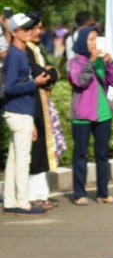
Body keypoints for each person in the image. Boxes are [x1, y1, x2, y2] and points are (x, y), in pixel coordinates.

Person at [67, 27, 113, 206]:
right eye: (90, 40)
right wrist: (90, 62)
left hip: (103, 113)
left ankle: (103, 193)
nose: (94, 43)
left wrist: (110, 63)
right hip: (82, 115)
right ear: (83, 42)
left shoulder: (101, 61)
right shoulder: (75, 62)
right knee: (80, 154)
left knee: (102, 155)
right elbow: (80, 81)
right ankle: (79, 194)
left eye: (96, 39)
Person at [3, 14, 48, 215]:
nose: (30, 31)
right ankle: (22, 202)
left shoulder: (20, 53)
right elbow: (11, 86)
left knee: (14, 159)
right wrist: (34, 83)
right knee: (23, 159)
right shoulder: (16, 55)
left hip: (19, 111)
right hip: (19, 111)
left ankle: (10, 200)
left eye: (31, 28)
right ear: (14, 33)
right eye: (25, 29)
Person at [26, 15, 63, 211]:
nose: (39, 31)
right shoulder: (25, 52)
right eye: (36, 27)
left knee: (42, 151)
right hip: (30, 104)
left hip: (41, 103)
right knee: (35, 150)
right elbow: (44, 74)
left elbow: (52, 73)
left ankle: (40, 195)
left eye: (41, 27)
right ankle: (33, 197)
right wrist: (50, 73)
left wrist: (51, 73)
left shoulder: (36, 50)